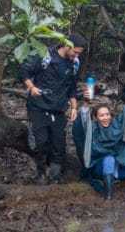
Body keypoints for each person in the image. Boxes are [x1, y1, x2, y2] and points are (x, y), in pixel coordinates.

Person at [19, 33, 85, 185]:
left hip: (59, 108)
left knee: (58, 144)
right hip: (38, 106)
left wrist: (74, 107)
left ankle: (55, 176)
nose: (76, 56)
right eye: (75, 52)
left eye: (79, 54)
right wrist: (31, 87)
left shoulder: (75, 64)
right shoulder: (45, 55)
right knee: (40, 143)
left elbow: (72, 88)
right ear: (67, 46)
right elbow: (24, 72)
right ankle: (40, 174)